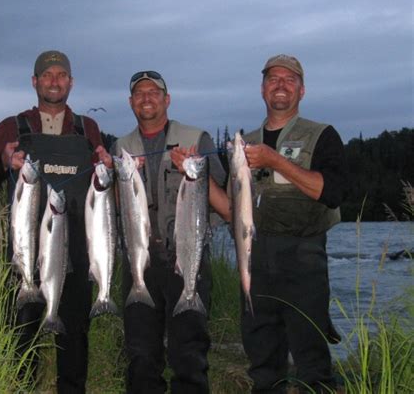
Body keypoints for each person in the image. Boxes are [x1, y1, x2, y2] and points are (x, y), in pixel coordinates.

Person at [0, 50, 109, 393]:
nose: (54, 81)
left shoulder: (87, 128)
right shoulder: (12, 127)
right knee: (21, 348)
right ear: (34, 82)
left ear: (71, 83)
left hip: (77, 256)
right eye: (47, 75)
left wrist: (107, 165)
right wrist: (2, 161)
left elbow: (102, 191)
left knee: (74, 346)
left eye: (61, 75)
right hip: (24, 261)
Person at [111, 71, 230, 394]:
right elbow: (112, 209)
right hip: (139, 263)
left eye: (154, 92)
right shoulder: (120, 148)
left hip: (187, 259)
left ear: (167, 99)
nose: (146, 98)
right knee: (140, 358)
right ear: (130, 102)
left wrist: (195, 172)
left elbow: (227, 206)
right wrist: (112, 176)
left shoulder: (197, 139)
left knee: (189, 357)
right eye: (139, 93)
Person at [239, 55, 347, 394]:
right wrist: (195, 178)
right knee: (263, 360)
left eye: (289, 79)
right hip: (255, 260)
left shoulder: (323, 135)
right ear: (262, 89)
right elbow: (232, 209)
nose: (280, 84)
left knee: (311, 357)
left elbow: (330, 192)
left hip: (304, 258)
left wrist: (275, 161)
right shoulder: (246, 142)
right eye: (273, 78)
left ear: (301, 90)